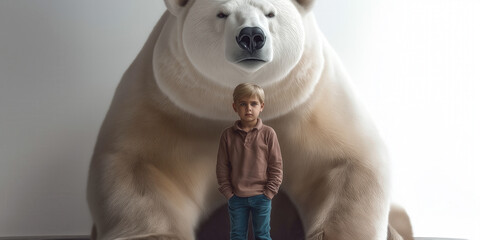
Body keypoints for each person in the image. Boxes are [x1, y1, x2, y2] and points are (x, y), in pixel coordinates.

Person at [216, 83, 283, 240]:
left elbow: (276, 166)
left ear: (261, 106)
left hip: (262, 196)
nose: (248, 108)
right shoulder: (227, 135)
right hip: (236, 197)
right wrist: (228, 193)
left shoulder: (268, 133)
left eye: (253, 103)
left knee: (262, 235)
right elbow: (222, 167)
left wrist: (269, 193)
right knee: (237, 236)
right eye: (243, 104)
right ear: (235, 107)